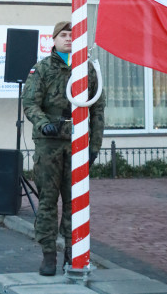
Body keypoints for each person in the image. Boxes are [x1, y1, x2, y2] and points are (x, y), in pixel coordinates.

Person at [22, 20, 105, 276]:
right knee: (48, 201)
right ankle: (49, 254)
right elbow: (30, 103)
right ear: (54, 39)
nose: (69, 39)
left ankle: (73, 252)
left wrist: (95, 146)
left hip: (77, 143)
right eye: (64, 35)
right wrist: (44, 123)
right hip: (49, 144)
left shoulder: (86, 68)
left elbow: (98, 108)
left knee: (74, 202)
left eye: (73, 35)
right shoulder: (42, 69)